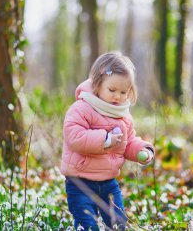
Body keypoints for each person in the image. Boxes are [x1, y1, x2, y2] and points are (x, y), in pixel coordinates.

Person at [61, 51, 155, 230]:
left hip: (108, 183)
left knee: (118, 223)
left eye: (123, 92)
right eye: (112, 90)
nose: (117, 97)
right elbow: (74, 136)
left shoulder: (122, 116)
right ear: (97, 84)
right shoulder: (82, 107)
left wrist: (142, 150)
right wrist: (105, 140)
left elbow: (128, 142)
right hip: (80, 182)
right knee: (87, 225)